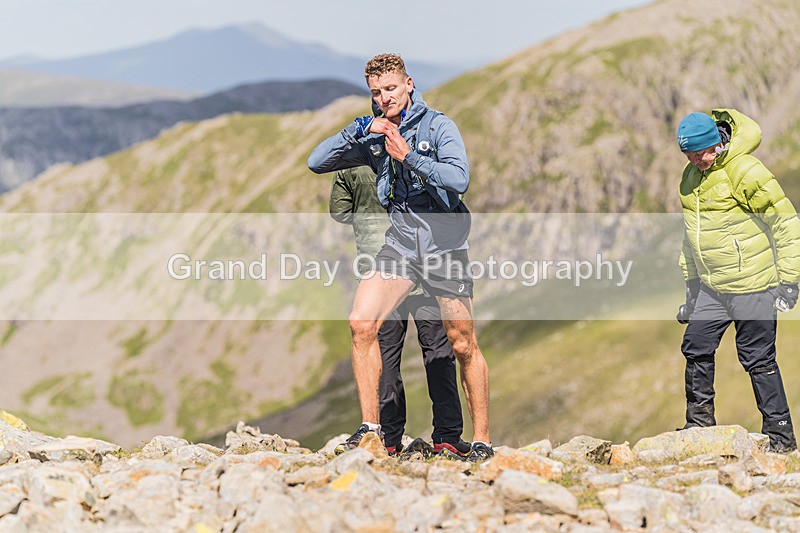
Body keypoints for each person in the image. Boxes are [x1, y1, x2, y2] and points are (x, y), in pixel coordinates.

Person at [309, 53, 492, 461]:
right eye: (376, 92)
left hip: (445, 245)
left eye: (390, 89)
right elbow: (316, 161)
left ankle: (481, 440)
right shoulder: (375, 131)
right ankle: (372, 429)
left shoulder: (438, 125)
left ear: (408, 83)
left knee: (462, 344)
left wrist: (408, 156)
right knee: (361, 323)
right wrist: (358, 128)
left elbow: (459, 179)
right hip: (402, 245)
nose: (384, 98)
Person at [675, 109, 800, 453]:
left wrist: (789, 282)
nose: (696, 160)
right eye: (689, 154)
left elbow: (786, 222)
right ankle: (699, 424)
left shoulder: (745, 170)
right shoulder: (690, 178)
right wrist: (693, 287)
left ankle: (781, 439)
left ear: (716, 142)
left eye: (700, 152)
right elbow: (692, 236)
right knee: (696, 346)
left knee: (758, 359)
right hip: (714, 288)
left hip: (754, 285)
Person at [329, 165, 471, 457]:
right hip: (424, 264)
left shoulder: (352, 159)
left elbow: (339, 211)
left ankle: (389, 438)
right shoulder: (413, 150)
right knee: (438, 353)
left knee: (384, 357)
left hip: (379, 270)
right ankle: (447, 436)